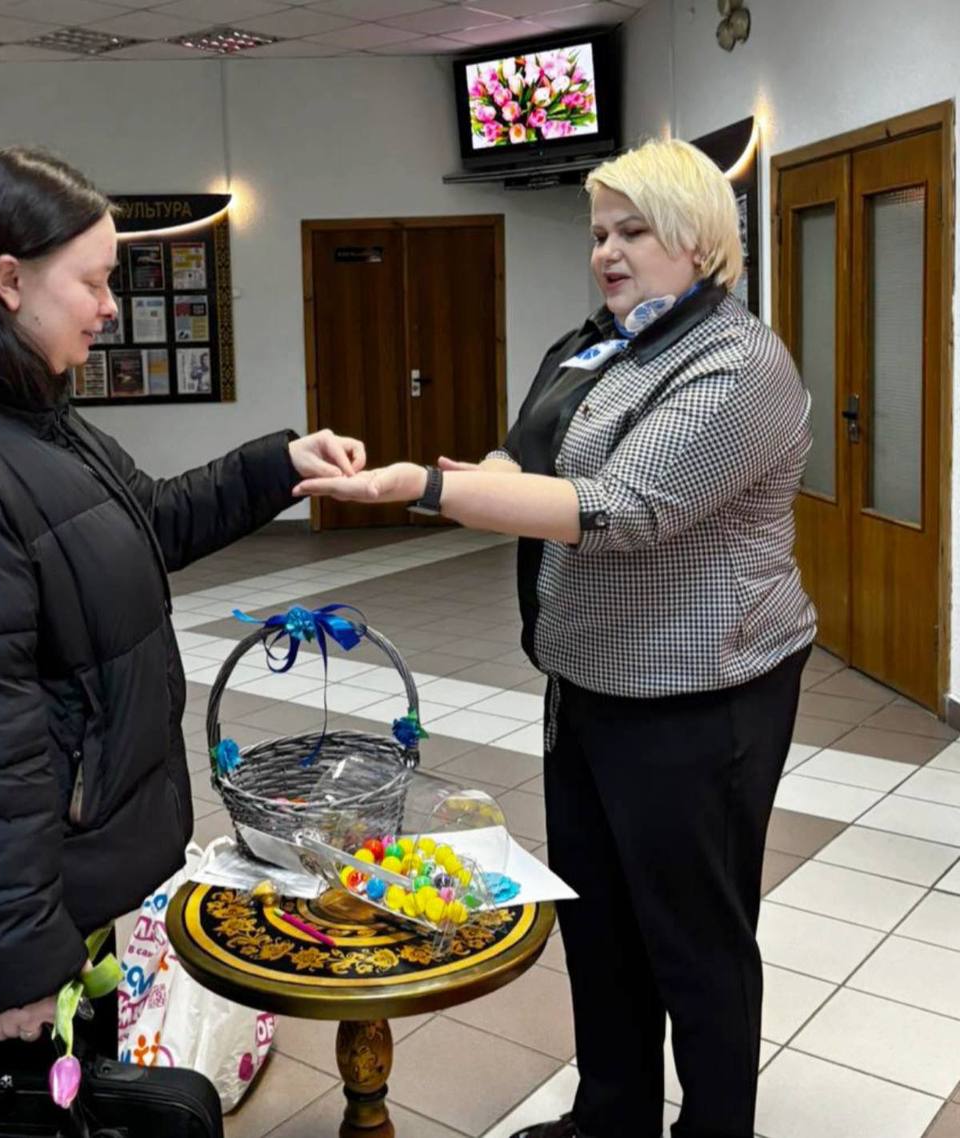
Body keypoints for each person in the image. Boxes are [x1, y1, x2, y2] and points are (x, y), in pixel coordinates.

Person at [295, 138, 815, 1138]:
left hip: (697, 697)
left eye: (632, 231)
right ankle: (611, 1117)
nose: (605, 253)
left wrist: (425, 488)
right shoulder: (605, 342)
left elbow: (623, 509)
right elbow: (526, 456)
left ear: (698, 241)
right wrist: (478, 475)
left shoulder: (736, 361)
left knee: (693, 940)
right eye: (597, 233)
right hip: (587, 683)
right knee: (600, 918)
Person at [0, 148, 365, 1058]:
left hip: (43, 884)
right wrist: (22, 954)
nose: (110, 307)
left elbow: (141, 523)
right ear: (9, 281)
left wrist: (275, 468)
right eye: (95, 282)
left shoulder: (16, 413)